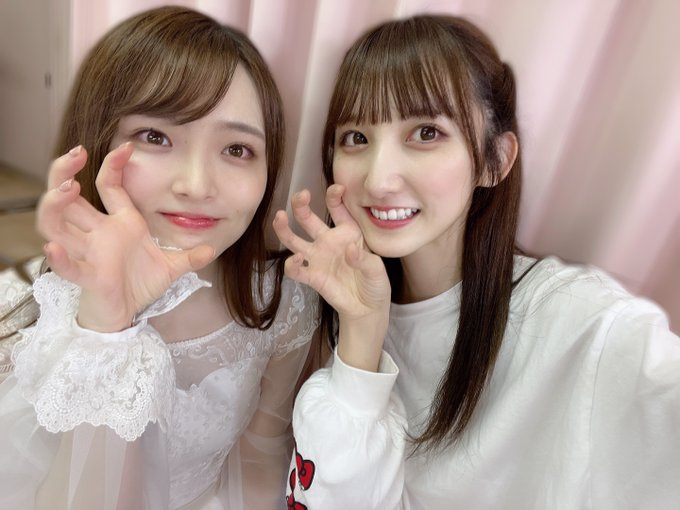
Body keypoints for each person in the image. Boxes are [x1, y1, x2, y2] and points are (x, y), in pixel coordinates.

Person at [273, 14, 680, 509]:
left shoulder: (581, 324)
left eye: (426, 133)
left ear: (494, 161)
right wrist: (361, 333)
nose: (379, 180)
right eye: (357, 138)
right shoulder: (339, 304)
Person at [0, 6, 318, 509]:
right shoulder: (22, 314)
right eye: (156, 137)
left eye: (237, 149)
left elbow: (260, 454)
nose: (196, 185)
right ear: (95, 140)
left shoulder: (281, 303)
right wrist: (106, 329)